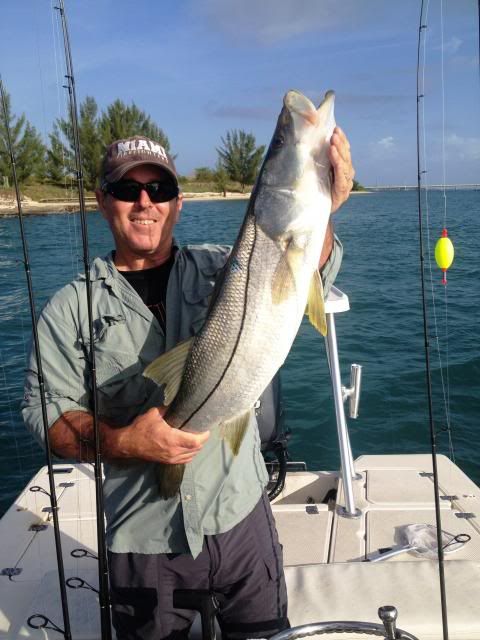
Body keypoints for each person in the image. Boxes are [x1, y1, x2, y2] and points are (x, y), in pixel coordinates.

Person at [22, 128, 355, 640]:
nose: (144, 204)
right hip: (143, 545)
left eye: (158, 190)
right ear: (101, 201)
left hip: (241, 523)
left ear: (178, 203)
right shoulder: (68, 311)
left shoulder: (229, 266)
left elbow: (311, 268)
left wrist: (323, 208)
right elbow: (47, 416)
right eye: (126, 190)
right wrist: (123, 441)